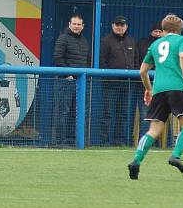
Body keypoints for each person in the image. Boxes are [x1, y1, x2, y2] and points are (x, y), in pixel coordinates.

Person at [128, 14, 183, 180]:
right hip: (177, 88)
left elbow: (143, 71)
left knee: (154, 130)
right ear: (180, 30)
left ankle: (136, 160)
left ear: (163, 29)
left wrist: (149, 89)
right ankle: (176, 156)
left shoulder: (155, 44)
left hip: (158, 90)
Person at [99, 15, 138, 146]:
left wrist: (134, 74)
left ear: (126, 26)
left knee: (123, 114)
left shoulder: (131, 41)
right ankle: (104, 142)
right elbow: (101, 61)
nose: (120, 27)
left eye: (122, 25)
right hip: (110, 83)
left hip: (127, 83)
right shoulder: (106, 41)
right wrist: (109, 76)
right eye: (117, 25)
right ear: (112, 26)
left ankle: (119, 141)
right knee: (107, 113)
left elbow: (136, 60)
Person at [52, 14, 90, 146]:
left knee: (78, 112)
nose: (76, 26)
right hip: (65, 82)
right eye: (74, 24)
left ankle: (74, 141)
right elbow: (58, 58)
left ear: (82, 26)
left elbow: (87, 60)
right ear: (69, 24)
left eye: (79, 24)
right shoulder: (63, 38)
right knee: (63, 111)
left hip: (81, 83)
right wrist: (67, 74)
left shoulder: (84, 41)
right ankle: (60, 142)